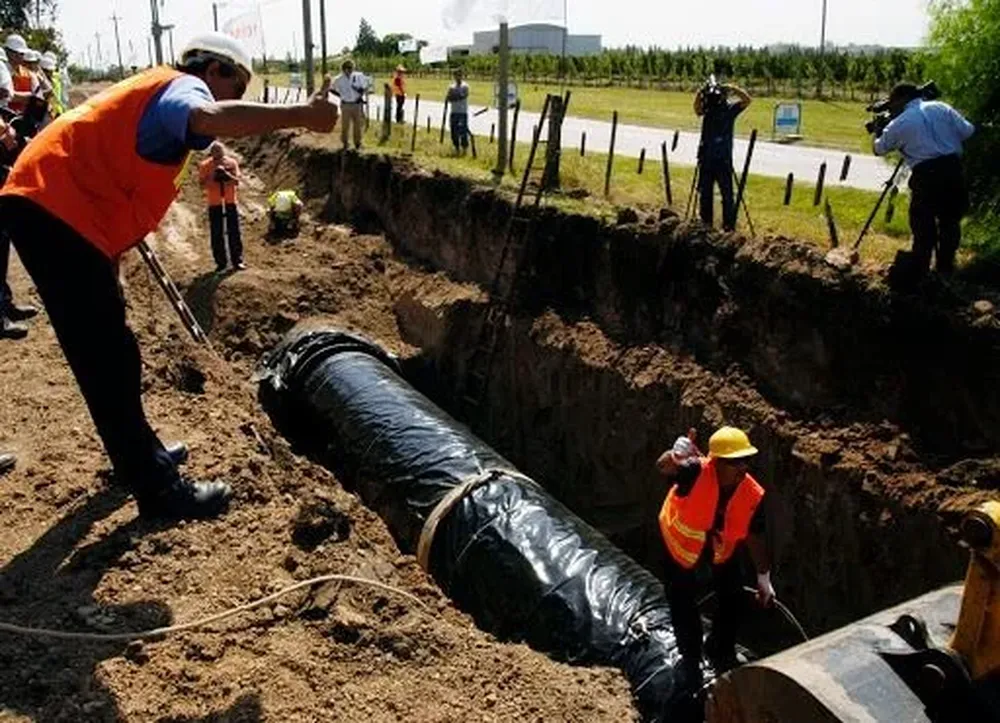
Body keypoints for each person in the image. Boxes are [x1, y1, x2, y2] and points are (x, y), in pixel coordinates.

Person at [0, 32, 338, 520]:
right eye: (235, 86)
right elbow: (204, 117)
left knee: (112, 350)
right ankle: (158, 489)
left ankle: (138, 459)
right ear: (215, 70)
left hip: (58, 212)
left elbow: (109, 180)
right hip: (52, 208)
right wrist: (301, 116)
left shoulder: (159, 94)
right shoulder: (184, 87)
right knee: (106, 357)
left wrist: (109, 264)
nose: (232, 99)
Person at [657, 426, 774, 685]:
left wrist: (763, 577)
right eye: (734, 462)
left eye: (745, 460)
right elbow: (663, 466)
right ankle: (691, 661)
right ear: (717, 462)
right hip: (679, 546)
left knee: (733, 597)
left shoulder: (751, 493)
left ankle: (720, 649)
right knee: (683, 605)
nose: (742, 467)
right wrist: (674, 455)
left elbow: (756, 536)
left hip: (719, 548)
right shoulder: (695, 471)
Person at [873, 83, 975, 275]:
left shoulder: (900, 122)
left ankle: (920, 270)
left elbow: (879, 149)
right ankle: (945, 268)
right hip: (953, 169)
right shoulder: (941, 107)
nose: (892, 108)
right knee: (950, 221)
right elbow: (968, 131)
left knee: (923, 224)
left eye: (892, 103)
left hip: (926, 175)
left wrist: (879, 130)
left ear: (901, 100)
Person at [693, 80, 751, 231]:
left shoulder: (730, 109)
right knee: (705, 195)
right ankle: (706, 226)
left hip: (723, 159)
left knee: (727, 195)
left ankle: (728, 227)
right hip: (706, 158)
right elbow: (697, 110)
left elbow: (747, 100)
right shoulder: (708, 108)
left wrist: (732, 88)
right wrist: (700, 93)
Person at [198, 141, 244, 273]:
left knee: (234, 231)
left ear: (224, 151)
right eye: (215, 151)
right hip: (214, 203)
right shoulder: (205, 165)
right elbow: (201, 185)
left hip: (230, 201)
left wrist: (226, 174)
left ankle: (237, 261)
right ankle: (221, 263)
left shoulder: (232, 163)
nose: (218, 153)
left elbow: (237, 181)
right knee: (217, 233)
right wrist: (213, 175)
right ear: (211, 152)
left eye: (220, 150)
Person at [332, 59, 366, 150]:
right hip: (345, 104)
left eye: (352, 68)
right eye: (349, 68)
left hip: (356, 104)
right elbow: (332, 89)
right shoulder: (338, 79)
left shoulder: (357, 77)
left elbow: (363, 89)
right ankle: (345, 143)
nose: (351, 70)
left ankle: (358, 143)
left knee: (357, 124)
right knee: (345, 125)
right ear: (344, 69)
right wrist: (341, 96)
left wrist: (359, 93)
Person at [446, 68, 469, 155]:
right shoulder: (451, 86)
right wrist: (455, 96)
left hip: (462, 112)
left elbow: (463, 96)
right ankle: (456, 148)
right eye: (456, 75)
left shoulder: (465, 86)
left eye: (459, 75)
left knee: (463, 131)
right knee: (454, 131)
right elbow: (448, 98)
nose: (458, 77)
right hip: (454, 112)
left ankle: (464, 149)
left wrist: (454, 96)